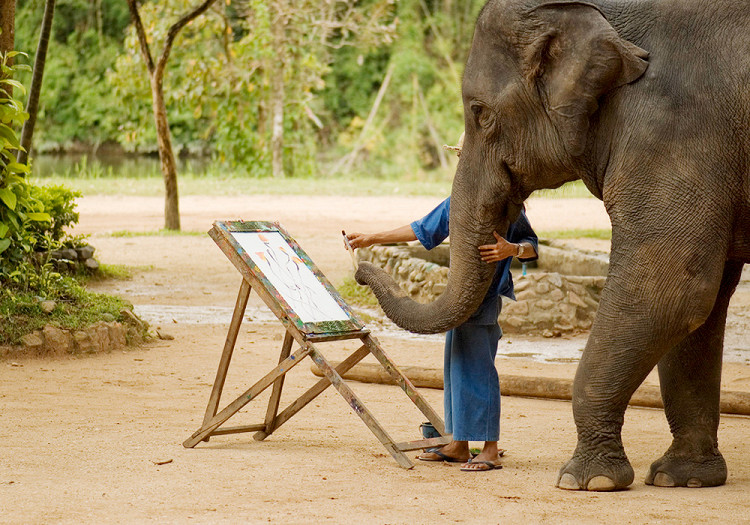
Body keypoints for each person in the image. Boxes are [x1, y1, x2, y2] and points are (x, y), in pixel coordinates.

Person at [345, 141, 538, 472]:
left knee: (479, 369)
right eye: (463, 156)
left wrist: (511, 250)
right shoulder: (459, 201)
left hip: (484, 297)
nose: (464, 161)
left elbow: (531, 248)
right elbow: (422, 229)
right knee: (457, 368)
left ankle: (489, 449)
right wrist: (372, 238)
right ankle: (459, 444)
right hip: (459, 299)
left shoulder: (507, 205)